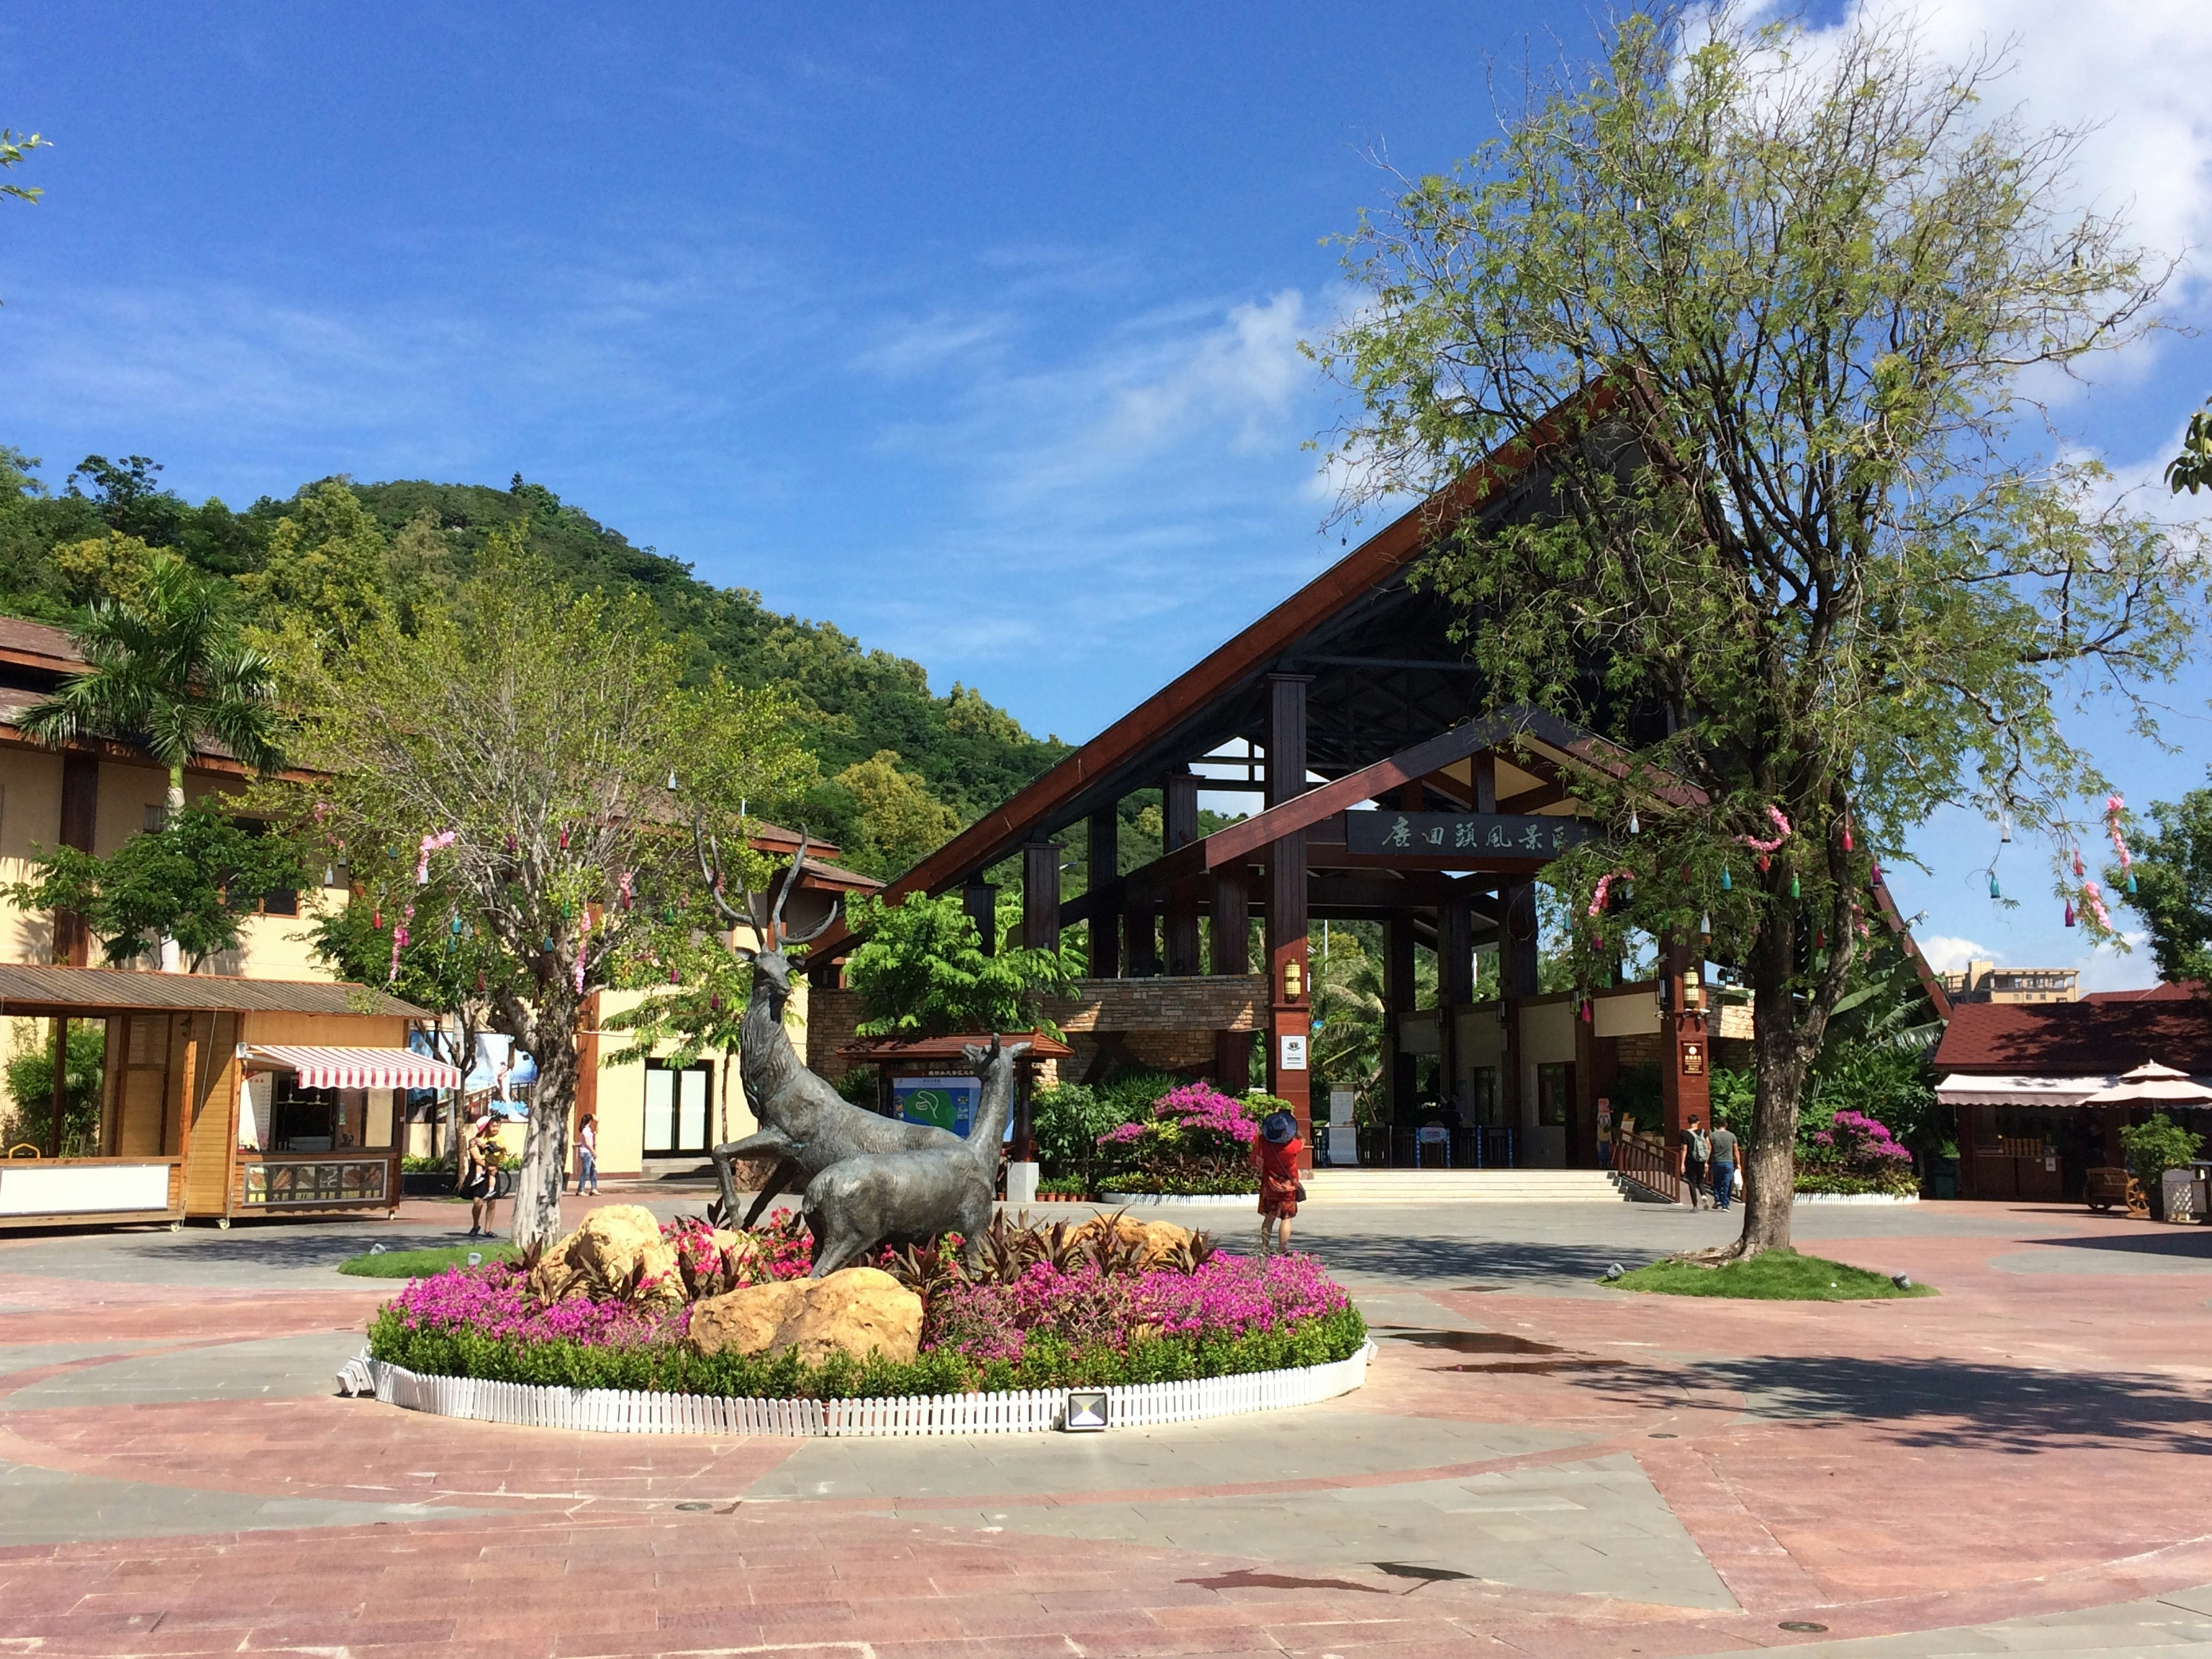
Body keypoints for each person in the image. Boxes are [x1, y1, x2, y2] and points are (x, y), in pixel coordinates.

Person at [1252, 1109, 1305, 1255]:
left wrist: (1272, 1119)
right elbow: (1303, 1140)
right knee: (1286, 1218)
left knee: (1269, 1218)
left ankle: (1264, 1248)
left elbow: (1257, 1138)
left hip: (1270, 1187)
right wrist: (1294, 1125)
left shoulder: (1263, 1142)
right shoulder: (1292, 1146)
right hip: (1288, 1187)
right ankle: (1282, 1249)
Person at [464, 1111, 504, 1237]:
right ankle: (476, 1225)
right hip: (479, 1174)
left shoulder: (496, 1140)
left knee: (492, 1202)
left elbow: (501, 1153)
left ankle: (488, 1230)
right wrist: (489, 1165)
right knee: (478, 1202)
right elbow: (477, 1158)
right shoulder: (474, 1142)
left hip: (492, 1173)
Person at [1679, 1113, 1710, 1210]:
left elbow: (1685, 1149)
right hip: (1701, 1160)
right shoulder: (1703, 1132)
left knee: (1692, 1182)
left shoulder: (1686, 1134)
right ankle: (1704, 1196)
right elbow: (1709, 1147)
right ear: (1698, 1122)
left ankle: (1695, 1205)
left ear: (1689, 1123)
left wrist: (1682, 1164)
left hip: (1691, 1160)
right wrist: (1706, 1161)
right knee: (1700, 1181)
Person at [1708, 1120, 1739, 1212]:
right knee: (1727, 1183)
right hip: (1728, 1162)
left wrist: (1706, 1162)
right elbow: (1736, 1151)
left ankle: (1717, 1199)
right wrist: (1738, 1163)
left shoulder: (1712, 1136)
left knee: (1717, 1182)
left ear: (1717, 1125)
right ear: (1726, 1125)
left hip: (1717, 1161)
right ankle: (1725, 1204)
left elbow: (1709, 1149)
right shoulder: (1732, 1136)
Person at [575, 1113, 598, 1197]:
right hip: (586, 1153)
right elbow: (587, 1143)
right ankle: (580, 1189)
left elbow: (597, 1131)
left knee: (593, 1170)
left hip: (589, 1153)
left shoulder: (588, 1129)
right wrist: (593, 1151)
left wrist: (597, 1122)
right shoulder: (585, 1130)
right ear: (590, 1121)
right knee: (586, 1171)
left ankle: (594, 1188)